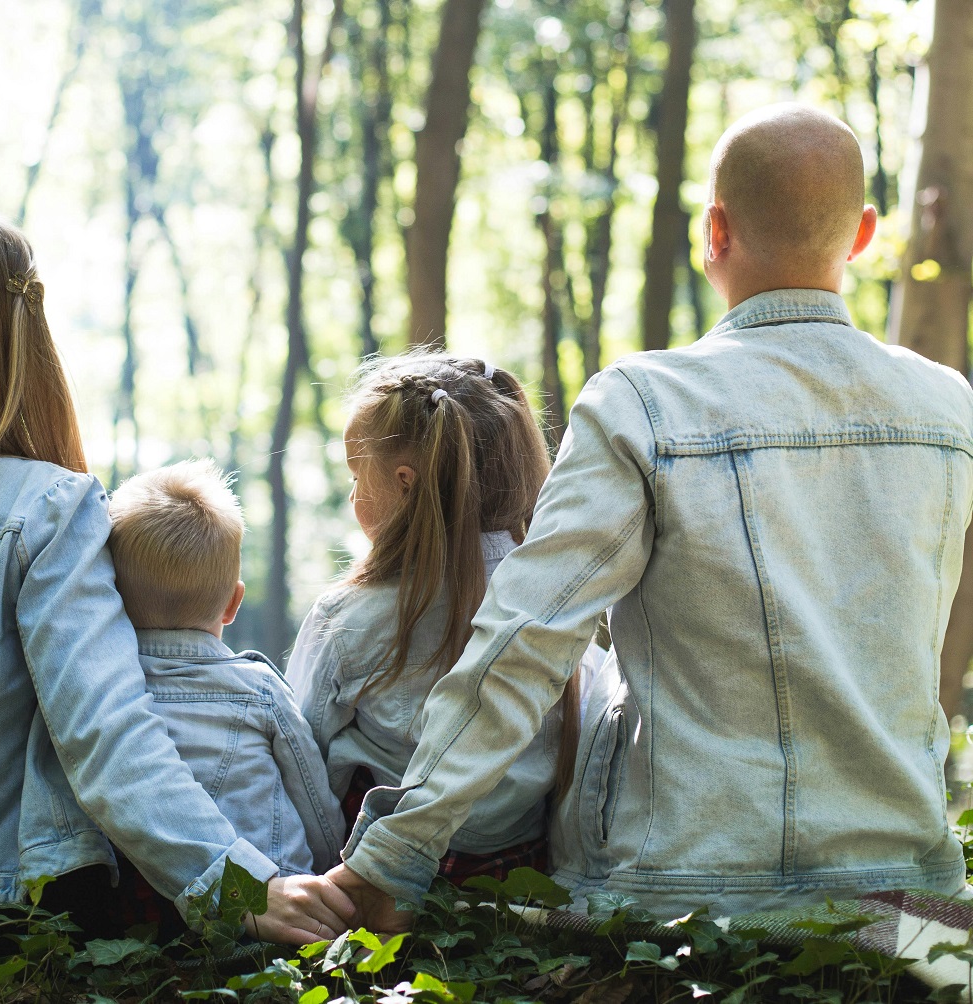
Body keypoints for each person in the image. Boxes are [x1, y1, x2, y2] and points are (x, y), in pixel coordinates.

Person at [327, 103, 973, 928]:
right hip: (908, 890)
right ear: (863, 235)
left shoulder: (644, 403)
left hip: (679, 887)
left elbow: (525, 641)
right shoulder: (947, 407)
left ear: (714, 230)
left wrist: (394, 856)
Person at [0, 209, 354, 944]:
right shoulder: (47, 505)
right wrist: (239, 885)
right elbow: (107, 733)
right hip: (11, 919)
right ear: (23, 340)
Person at [287, 353, 607, 885]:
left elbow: (301, 755)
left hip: (371, 881)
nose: (351, 495)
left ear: (405, 483)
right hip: (518, 880)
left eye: (356, 475)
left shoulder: (348, 618)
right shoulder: (560, 612)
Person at [106, 459, 345, 882]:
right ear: (234, 604)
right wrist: (329, 869)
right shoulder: (259, 690)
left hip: (148, 906)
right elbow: (314, 802)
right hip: (273, 894)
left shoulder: (101, 692)